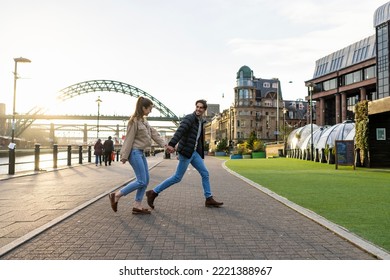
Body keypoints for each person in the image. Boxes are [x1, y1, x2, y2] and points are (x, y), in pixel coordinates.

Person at [146, 99, 223, 209]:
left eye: (201, 107)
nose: (198, 109)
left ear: (204, 110)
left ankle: (208, 198)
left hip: (194, 152)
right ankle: (153, 192)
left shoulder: (201, 122)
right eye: (197, 106)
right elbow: (180, 132)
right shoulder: (189, 118)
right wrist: (172, 144)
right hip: (186, 152)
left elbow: (198, 139)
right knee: (177, 178)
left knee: (205, 173)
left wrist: (200, 153)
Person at [108, 97, 167, 214]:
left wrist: (165, 145)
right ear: (143, 108)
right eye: (149, 108)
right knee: (141, 181)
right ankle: (116, 196)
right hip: (134, 153)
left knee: (146, 180)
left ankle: (137, 205)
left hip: (140, 153)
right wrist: (124, 156)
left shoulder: (144, 121)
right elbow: (129, 139)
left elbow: (154, 134)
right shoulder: (133, 121)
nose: (151, 111)